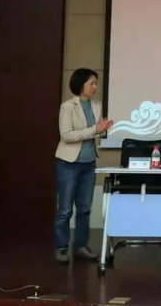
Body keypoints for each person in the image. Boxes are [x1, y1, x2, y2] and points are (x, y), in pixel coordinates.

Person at [54, 68, 113, 264]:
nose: (95, 87)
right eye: (91, 83)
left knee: (85, 208)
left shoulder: (96, 106)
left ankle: (80, 246)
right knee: (65, 209)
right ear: (81, 84)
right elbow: (66, 135)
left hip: (89, 163)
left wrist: (102, 129)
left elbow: (94, 132)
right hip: (69, 163)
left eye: (96, 83)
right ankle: (61, 247)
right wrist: (94, 129)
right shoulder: (68, 107)